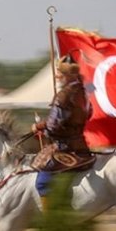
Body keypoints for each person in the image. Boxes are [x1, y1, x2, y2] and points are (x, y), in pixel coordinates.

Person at [30, 56, 94, 194]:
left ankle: (52, 214)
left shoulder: (63, 96)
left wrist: (39, 127)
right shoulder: (84, 93)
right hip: (82, 147)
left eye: (60, 73)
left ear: (68, 76)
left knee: (41, 183)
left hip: (65, 148)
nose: (57, 76)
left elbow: (53, 126)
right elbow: (89, 114)